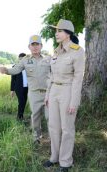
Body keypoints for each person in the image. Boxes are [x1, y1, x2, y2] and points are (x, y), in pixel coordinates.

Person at [43, 19, 85, 172]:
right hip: (54, 91)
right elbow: (51, 76)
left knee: (67, 128)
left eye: (59, 31)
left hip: (68, 91)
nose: (56, 34)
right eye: (56, 31)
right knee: (53, 126)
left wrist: (74, 102)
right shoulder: (56, 51)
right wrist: (48, 95)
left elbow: (78, 78)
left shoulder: (77, 51)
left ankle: (65, 162)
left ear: (67, 33)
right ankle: (54, 157)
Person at [0, 35, 51, 143]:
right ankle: (36, 137)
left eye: (37, 44)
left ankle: (52, 137)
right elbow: (16, 69)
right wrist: (6, 70)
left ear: (41, 46)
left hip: (48, 93)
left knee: (50, 117)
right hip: (34, 93)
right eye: (33, 45)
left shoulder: (48, 59)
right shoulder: (25, 60)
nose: (35, 47)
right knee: (35, 115)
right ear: (29, 47)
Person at [10, 53, 28, 121]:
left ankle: (21, 115)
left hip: (26, 87)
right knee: (22, 101)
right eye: (20, 59)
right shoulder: (15, 66)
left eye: (23, 59)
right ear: (19, 59)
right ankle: (19, 117)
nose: (22, 60)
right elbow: (13, 80)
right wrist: (12, 90)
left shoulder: (28, 67)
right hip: (18, 88)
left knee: (24, 102)